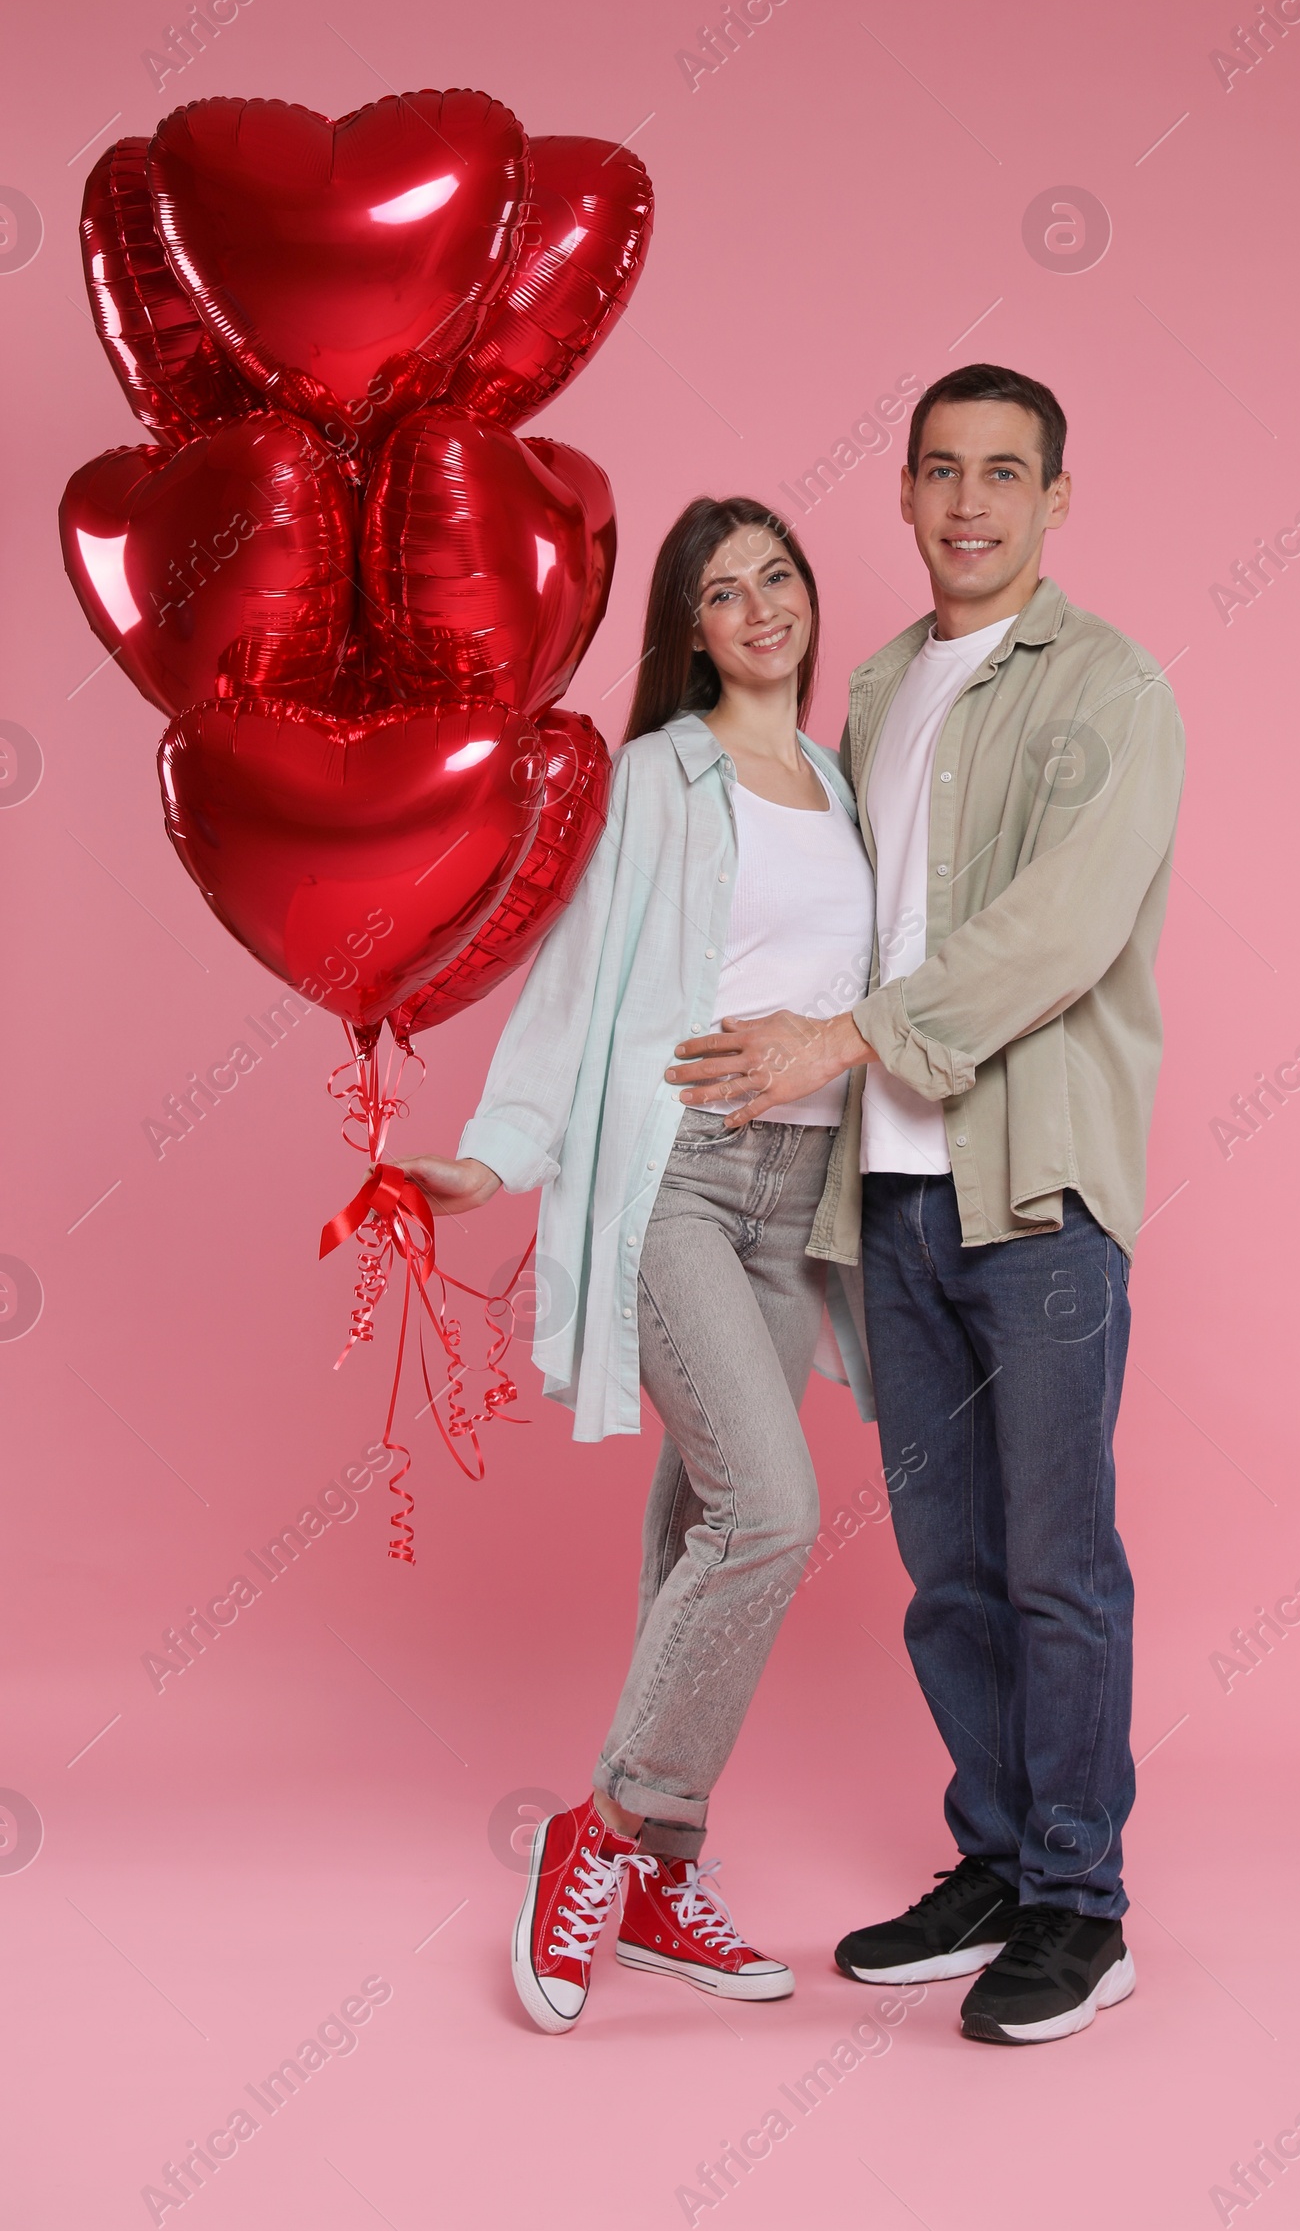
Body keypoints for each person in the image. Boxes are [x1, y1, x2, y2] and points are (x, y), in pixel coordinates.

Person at [666, 362, 1186, 2045]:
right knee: (950, 1571)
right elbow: (838, 918)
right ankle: (995, 1862)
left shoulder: (1110, 688)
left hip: (1031, 1196)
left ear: (1055, 501)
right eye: (941, 472)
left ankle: (1080, 1905)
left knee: (1057, 1567)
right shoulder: (876, 690)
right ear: (901, 494)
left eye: (1005, 474)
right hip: (880, 1202)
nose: (970, 503)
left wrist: (851, 1035)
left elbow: (1059, 930)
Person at [395, 497, 876, 2035]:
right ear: (688, 630)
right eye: (723, 592)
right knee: (772, 1511)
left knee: (699, 1532)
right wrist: (498, 1151)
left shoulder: (844, 781)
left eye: (778, 578)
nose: (760, 610)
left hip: (802, 1200)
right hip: (678, 1178)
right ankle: (595, 1832)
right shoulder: (654, 781)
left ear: (809, 596)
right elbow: (580, 980)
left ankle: (664, 1874)